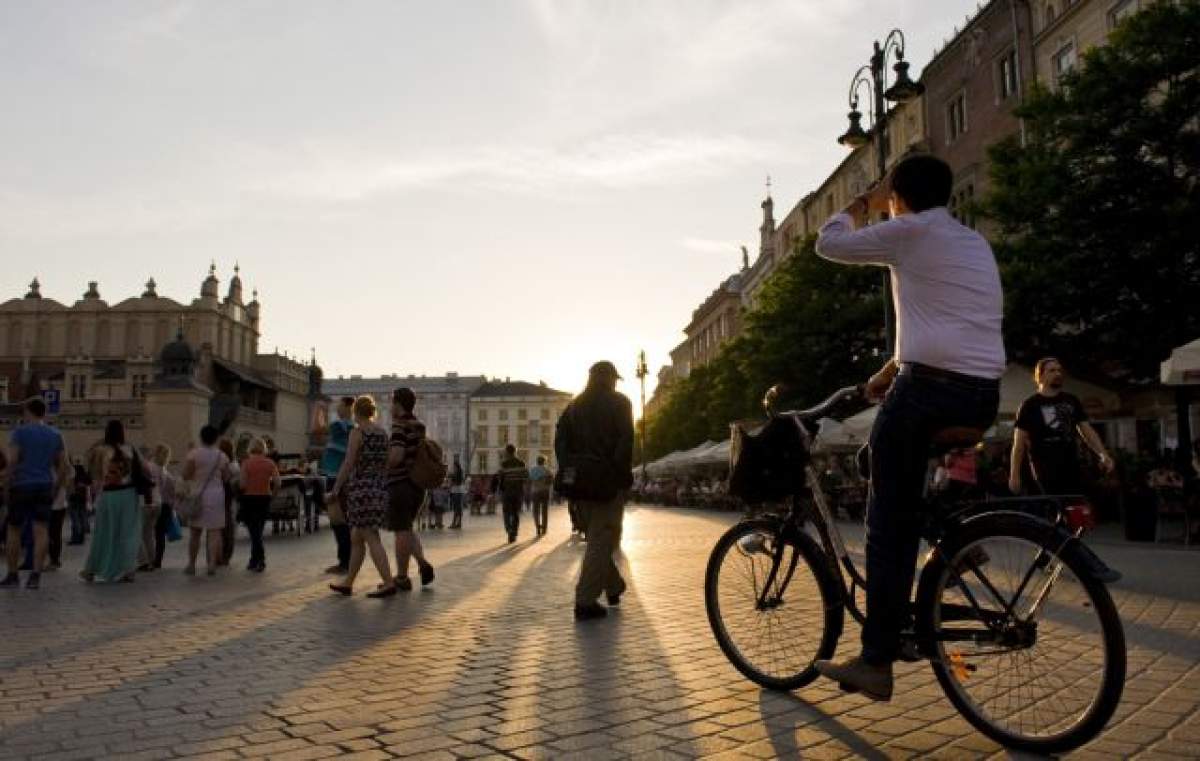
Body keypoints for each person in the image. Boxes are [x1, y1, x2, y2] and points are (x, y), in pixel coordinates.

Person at [811, 154, 1005, 700]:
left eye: (888, 199)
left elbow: (828, 242)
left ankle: (875, 661)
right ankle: (951, 540)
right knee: (876, 460)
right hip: (981, 392)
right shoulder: (971, 241)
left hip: (928, 392)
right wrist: (888, 371)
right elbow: (947, 320)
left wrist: (860, 204)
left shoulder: (907, 230)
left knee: (883, 524)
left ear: (897, 197)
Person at [555, 361, 635, 620]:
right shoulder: (619, 402)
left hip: (578, 480)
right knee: (602, 539)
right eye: (614, 379)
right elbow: (626, 440)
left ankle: (613, 586)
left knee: (596, 536)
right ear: (610, 379)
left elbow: (560, 440)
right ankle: (585, 601)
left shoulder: (574, 406)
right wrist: (620, 476)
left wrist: (569, 467)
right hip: (605, 480)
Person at [1009, 359, 1114, 497]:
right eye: (1052, 370)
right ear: (1039, 376)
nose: (1058, 373)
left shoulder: (1071, 400)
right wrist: (1014, 474)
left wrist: (1103, 454)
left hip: (1072, 465)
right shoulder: (1029, 405)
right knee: (1055, 507)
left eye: (1059, 370)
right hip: (1045, 468)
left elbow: (1087, 431)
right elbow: (1019, 444)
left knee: (1076, 507)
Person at [328, 395, 397, 597]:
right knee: (357, 538)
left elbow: (349, 462)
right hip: (379, 488)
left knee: (370, 536)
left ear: (356, 412)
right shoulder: (382, 433)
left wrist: (337, 488)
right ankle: (348, 582)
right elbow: (387, 463)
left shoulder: (357, 433)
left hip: (361, 490)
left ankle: (388, 582)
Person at [3, 398, 69, 590]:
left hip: (22, 485)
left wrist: (7, 484)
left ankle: (13, 574)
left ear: (27, 411)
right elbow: (63, 465)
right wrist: (56, 487)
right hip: (44, 485)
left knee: (14, 529)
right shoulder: (56, 434)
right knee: (41, 530)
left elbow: (13, 461)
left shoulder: (20, 432)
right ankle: (35, 576)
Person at [80, 420, 153, 584]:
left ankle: (91, 569)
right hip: (128, 495)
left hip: (107, 496)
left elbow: (90, 473)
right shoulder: (130, 449)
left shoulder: (99, 450)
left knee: (103, 533)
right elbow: (145, 470)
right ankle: (127, 569)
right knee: (128, 533)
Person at [385, 387, 435, 591]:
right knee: (407, 528)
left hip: (401, 485)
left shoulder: (399, 426)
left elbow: (396, 456)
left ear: (397, 404)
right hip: (417, 486)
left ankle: (402, 577)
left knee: (401, 531)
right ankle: (423, 565)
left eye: (391, 403)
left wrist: (383, 463)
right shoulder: (419, 426)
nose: (389, 407)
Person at [181, 425, 231, 577]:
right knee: (214, 533)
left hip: (198, 495)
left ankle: (191, 564)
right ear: (216, 438)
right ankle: (211, 565)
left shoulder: (194, 454)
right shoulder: (221, 456)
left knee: (195, 533)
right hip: (216, 496)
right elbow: (226, 477)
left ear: (201, 437)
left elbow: (186, 475)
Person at [320, 396, 356, 574]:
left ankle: (344, 561)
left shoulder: (338, 427)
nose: (338, 409)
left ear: (349, 408)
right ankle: (345, 560)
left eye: (340, 406)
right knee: (342, 519)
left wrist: (320, 413)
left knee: (337, 520)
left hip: (336, 476)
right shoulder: (354, 429)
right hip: (344, 477)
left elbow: (319, 428)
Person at [239, 438, 280, 572]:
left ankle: (260, 560)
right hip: (264, 498)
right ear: (264, 449)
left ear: (250, 448)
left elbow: (243, 484)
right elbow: (278, 483)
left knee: (254, 532)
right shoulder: (270, 463)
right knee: (258, 531)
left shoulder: (246, 464)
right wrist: (272, 495)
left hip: (249, 499)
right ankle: (254, 560)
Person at [148, 445, 177, 569]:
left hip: (151, 502)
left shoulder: (149, 468)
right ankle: (157, 559)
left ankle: (149, 558)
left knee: (148, 532)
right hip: (164, 506)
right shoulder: (167, 474)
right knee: (160, 535)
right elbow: (172, 494)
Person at [496, 444, 529, 543]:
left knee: (506, 511)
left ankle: (509, 529)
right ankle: (514, 532)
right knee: (516, 513)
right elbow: (525, 476)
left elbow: (500, 477)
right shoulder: (521, 463)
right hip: (518, 491)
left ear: (507, 452)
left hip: (507, 491)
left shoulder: (504, 463)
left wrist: (500, 489)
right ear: (515, 451)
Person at [218, 438, 239, 566]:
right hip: (230, 498)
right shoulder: (234, 465)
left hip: (217, 497)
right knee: (229, 528)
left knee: (217, 529)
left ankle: (216, 556)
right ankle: (226, 556)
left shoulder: (219, 463)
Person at [67, 458, 91, 546]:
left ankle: (76, 538)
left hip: (74, 498)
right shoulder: (84, 475)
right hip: (82, 498)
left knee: (75, 519)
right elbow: (89, 485)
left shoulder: (73, 474)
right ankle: (81, 537)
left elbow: (70, 485)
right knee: (82, 517)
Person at [529, 456, 553, 536]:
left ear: (537, 461)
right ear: (544, 462)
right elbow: (550, 481)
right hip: (545, 491)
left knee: (535, 510)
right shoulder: (547, 470)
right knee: (544, 511)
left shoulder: (532, 470)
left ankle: (537, 527)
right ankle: (544, 529)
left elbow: (529, 480)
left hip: (535, 492)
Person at [448, 455, 466, 529]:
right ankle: (458, 523)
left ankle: (454, 523)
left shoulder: (456, 474)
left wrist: (451, 483)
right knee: (459, 509)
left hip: (456, 492)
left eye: (454, 467)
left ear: (456, 467)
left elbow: (456, 483)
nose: (453, 468)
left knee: (456, 508)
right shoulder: (459, 474)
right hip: (459, 492)